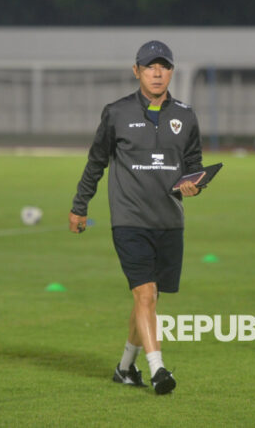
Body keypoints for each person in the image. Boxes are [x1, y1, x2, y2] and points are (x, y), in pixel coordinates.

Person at [68, 40, 204, 395]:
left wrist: (195, 185)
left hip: (170, 221)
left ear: (172, 71)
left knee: (149, 298)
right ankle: (158, 370)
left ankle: (125, 368)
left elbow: (194, 167)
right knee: (144, 294)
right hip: (129, 220)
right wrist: (80, 205)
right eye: (149, 66)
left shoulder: (186, 115)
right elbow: (96, 161)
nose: (157, 73)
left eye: (163, 66)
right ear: (136, 71)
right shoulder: (116, 112)